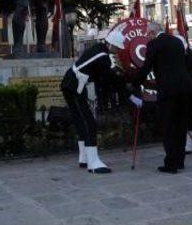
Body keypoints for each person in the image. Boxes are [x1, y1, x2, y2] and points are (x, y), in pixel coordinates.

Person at [60, 32, 141, 174]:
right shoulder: (103, 58)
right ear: (111, 44)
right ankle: (93, 162)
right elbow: (111, 80)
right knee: (89, 122)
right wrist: (130, 96)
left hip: (71, 84)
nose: (118, 50)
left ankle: (84, 157)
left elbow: (100, 77)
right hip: (75, 86)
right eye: (117, 47)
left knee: (80, 120)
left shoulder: (98, 49)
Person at [137, 24, 192, 174]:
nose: (147, 37)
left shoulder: (154, 44)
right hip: (184, 88)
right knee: (181, 126)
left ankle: (171, 163)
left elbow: (147, 67)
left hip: (168, 90)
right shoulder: (177, 42)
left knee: (169, 126)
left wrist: (135, 80)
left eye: (148, 34)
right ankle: (180, 161)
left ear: (153, 32)